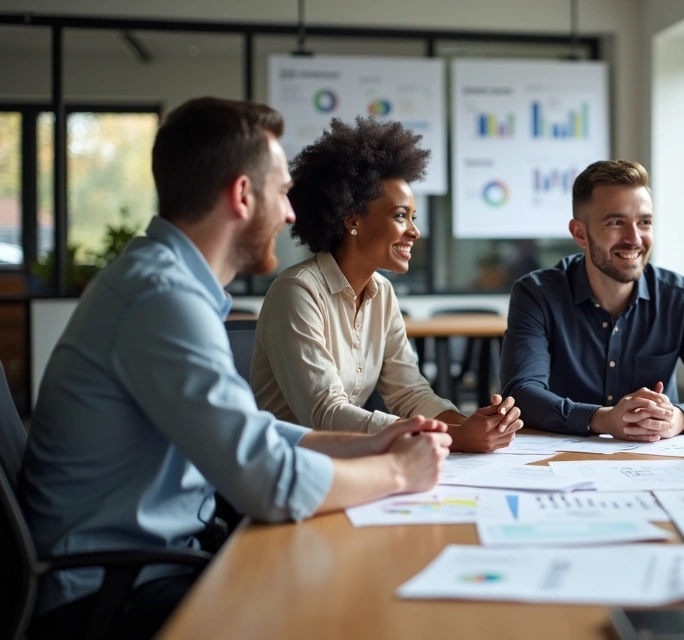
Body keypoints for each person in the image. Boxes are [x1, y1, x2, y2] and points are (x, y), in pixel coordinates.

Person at [18, 98, 452, 639]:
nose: (292, 214)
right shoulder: (161, 299)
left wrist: (373, 443)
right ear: (243, 196)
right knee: (348, 613)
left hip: (157, 561)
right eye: (281, 193)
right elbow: (266, 481)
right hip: (110, 592)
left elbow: (254, 433)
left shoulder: (168, 286)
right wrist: (398, 472)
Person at [250, 117, 522, 453]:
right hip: (289, 467)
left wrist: (466, 424)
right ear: (352, 220)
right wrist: (449, 436)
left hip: (351, 458)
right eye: (399, 216)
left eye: (413, 217)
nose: (414, 231)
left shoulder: (383, 293)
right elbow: (324, 413)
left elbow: (409, 392)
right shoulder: (297, 291)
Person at [500, 160, 684, 440]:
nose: (634, 239)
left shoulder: (680, 297)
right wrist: (602, 419)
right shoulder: (537, 295)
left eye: (644, 222)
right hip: (562, 460)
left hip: (657, 461)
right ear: (580, 234)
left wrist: (680, 417)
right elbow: (520, 393)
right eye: (616, 223)